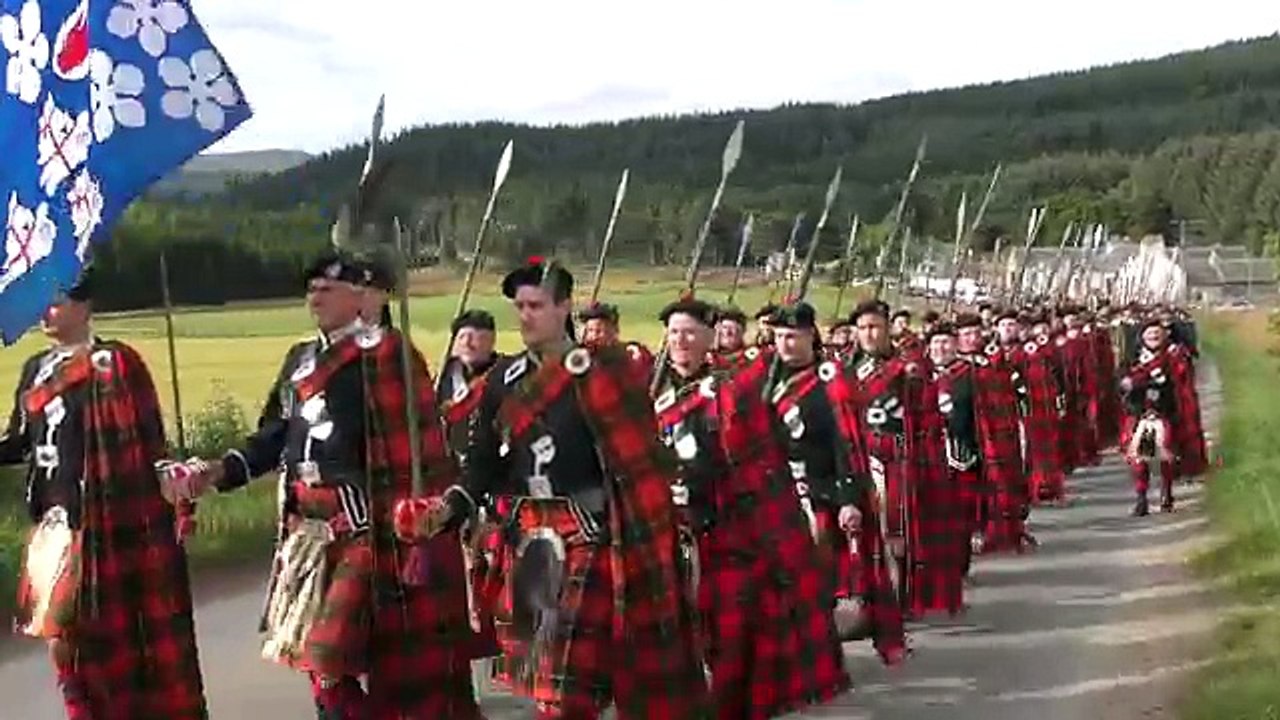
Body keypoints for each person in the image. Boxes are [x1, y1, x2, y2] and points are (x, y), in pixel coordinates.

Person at [161, 252, 481, 718]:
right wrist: (216, 471)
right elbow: (275, 436)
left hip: (362, 532)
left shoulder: (387, 354)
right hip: (305, 535)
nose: (316, 294)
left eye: (328, 287)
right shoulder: (300, 359)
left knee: (336, 659)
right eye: (311, 286)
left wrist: (414, 528)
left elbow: (415, 454)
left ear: (359, 296)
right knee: (320, 666)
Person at [395, 257, 707, 719]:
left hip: (591, 537)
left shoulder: (602, 371)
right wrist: (448, 507)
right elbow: (481, 463)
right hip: (530, 540)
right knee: (548, 683)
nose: (525, 316)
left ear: (564, 308)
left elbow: (640, 464)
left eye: (536, 305)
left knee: (568, 689)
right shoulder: (503, 379)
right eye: (519, 306)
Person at [0, 268, 207, 719]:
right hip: (53, 531)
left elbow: (146, 441)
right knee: (63, 645)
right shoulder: (36, 369)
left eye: (56, 301)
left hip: (104, 529)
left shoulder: (116, 363)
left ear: (84, 306)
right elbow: (20, 443)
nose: (46, 312)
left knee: (113, 649)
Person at [653, 294, 861, 718]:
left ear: (709, 337)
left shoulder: (732, 388)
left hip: (727, 530)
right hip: (669, 531)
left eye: (690, 332)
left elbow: (750, 455)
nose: (681, 340)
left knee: (732, 639)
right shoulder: (653, 390)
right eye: (674, 332)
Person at [845, 300, 960, 619]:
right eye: (863, 328)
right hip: (859, 457)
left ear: (887, 330)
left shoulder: (907, 369)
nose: (869, 334)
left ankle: (903, 596)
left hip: (899, 456)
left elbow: (926, 419)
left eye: (875, 327)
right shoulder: (846, 370)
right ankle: (868, 596)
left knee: (898, 533)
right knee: (861, 534)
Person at [1119, 318, 1208, 516]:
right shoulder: (1133, 358)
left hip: (1165, 413)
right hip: (1140, 414)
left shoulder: (1175, 356)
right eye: (1148, 333)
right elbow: (1123, 383)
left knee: (1165, 456)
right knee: (1141, 458)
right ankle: (1141, 498)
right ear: (1142, 336)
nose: (1153, 336)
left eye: (1157, 333)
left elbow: (1181, 385)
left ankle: (1166, 494)